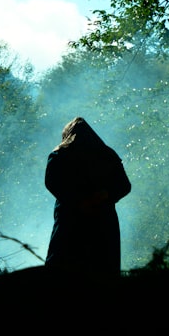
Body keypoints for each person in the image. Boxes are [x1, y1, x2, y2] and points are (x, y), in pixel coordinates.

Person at [44, 116, 131, 274]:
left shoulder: (60, 154)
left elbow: (52, 182)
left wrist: (79, 202)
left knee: (61, 273)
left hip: (70, 223)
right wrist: (104, 195)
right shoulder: (108, 155)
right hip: (104, 225)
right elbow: (124, 186)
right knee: (103, 272)